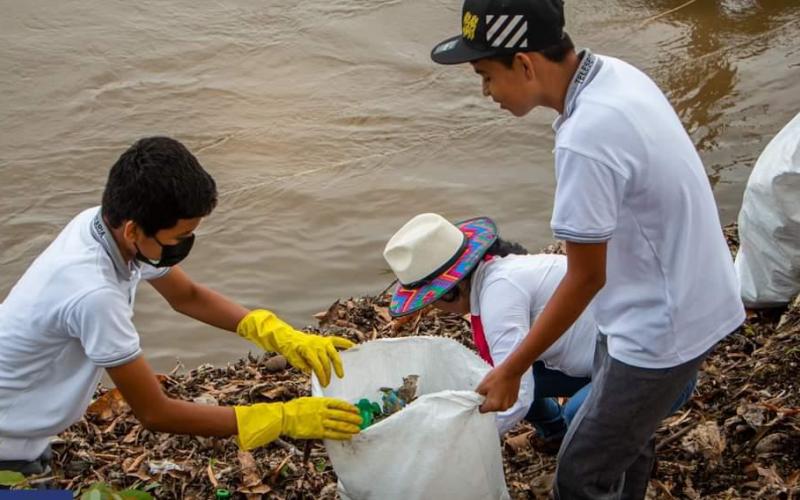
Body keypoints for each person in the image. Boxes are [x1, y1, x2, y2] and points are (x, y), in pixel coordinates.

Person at [428, 0, 745, 498]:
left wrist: (511, 369)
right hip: (675, 292)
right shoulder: (614, 75)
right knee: (625, 444)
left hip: (661, 327)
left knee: (579, 475)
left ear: (526, 63)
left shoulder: (585, 138)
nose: (486, 91)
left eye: (485, 74)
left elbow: (585, 277)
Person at [0, 137, 361, 476]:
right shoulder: (94, 294)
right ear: (133, 231)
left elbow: (186, 296)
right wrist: (279, 417)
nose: (184, 246)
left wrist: (278, 335)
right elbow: (155, 412)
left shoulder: (101, 225)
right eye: (178, 239)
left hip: (24, 431)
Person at [383, 213, 695, 449]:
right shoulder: (499, 272)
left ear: (449, 291)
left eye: (433, 301)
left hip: (657, 376)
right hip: (607, 362)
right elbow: (507, 375)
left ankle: (618, 456)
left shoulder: (498, 294)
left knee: (579, 416)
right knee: (490, 379)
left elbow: (516, 393)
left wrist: (461, 446)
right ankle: (557, 433)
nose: (434, 308)